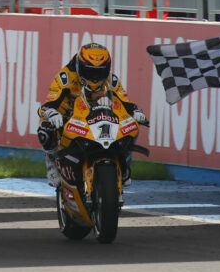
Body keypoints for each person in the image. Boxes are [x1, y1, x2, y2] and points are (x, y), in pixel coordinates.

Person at [38, 43, 148, 188]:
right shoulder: (65, 77)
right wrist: (52, 113)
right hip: (66, 114)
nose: (95, 78)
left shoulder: (110, 80)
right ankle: (51, 164)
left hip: (93, 113)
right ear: (79, 66)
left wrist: (136, 112)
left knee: (131, 126)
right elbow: (48, 104)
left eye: (100, 72)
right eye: (89, 72)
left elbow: (126, 102)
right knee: (45, 130)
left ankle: (124, 164)